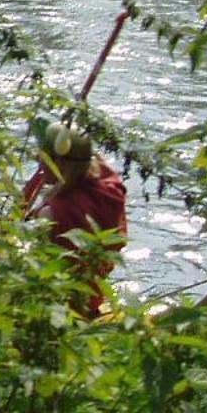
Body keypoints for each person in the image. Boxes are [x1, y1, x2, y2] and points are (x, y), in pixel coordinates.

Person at [29, 122, 127, 316]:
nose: (38, 160)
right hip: (93, 298)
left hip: (60, 308)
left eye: (43, 158)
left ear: (58, 164)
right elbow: (85, 156)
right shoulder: (111, 186)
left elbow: (37, 270)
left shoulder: (52, 215)